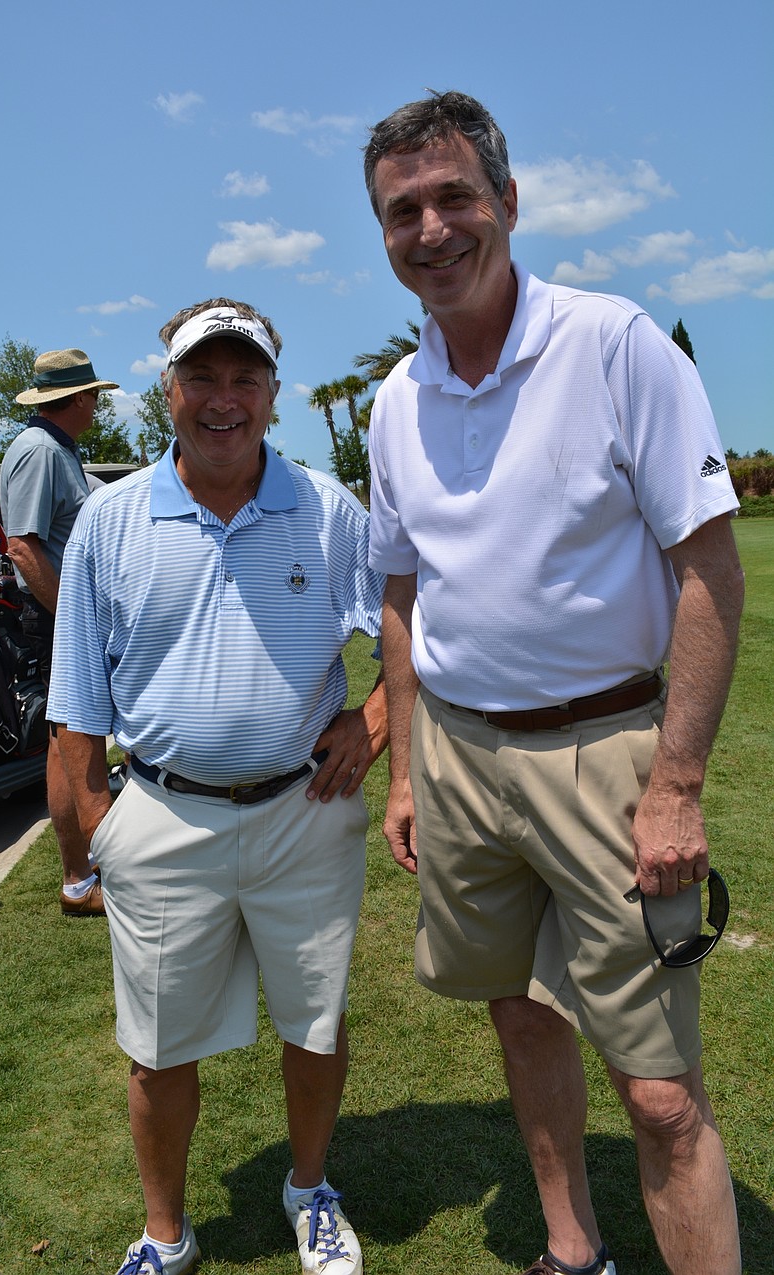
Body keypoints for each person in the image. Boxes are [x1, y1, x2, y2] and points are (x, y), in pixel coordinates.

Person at [363, 91, 744, 1275]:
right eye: (401, 211)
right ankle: (572, 1250)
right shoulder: (392, 400)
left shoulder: (614, 344)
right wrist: (409, 772)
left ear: (508, 202)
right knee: (520, 1017)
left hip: (606, 757)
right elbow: (402, 594)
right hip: (463, 760)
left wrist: (674, 785)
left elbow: (709, 572)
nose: (431, 230)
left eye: (453, 198)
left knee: (660, 1094)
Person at [47, 299, 387, 1275]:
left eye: (246, 379)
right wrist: (101, 832)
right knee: (158, 1048)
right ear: (169, 390)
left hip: (304, 813)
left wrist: (368, 725)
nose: (223, 399)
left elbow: (412, 625)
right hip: (161, 814)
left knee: (315, 1025)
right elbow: (77, 707)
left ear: (273, 397)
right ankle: (165, 1233)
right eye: (203, 377)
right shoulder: (110, 521)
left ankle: (307, 1189)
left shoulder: (326, 510)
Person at [0, 349, 119, 916]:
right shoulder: (40, 452)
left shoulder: (58, 452)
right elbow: (21, 546)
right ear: (75, 399)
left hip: (61, 620)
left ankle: (86, 869)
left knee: (75, 740)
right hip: (54, 622)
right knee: (67, 744)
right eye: (93, 395)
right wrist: (71, 617)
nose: (97, 405)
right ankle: (76, 880)